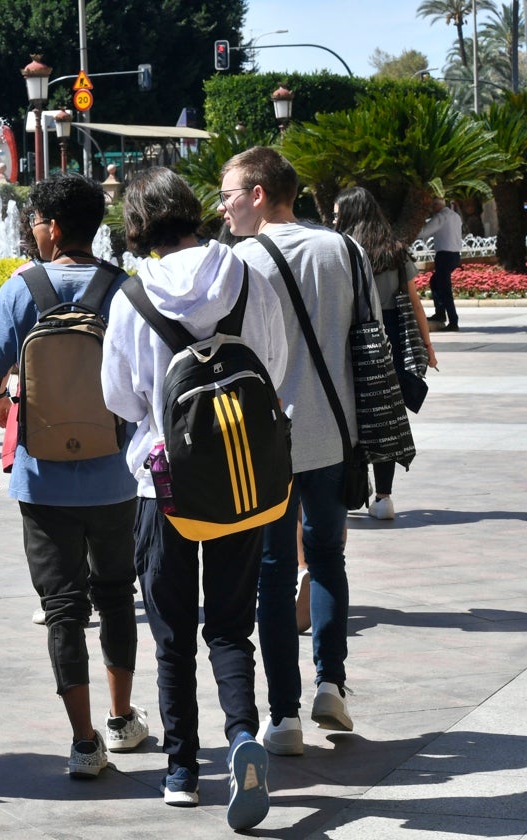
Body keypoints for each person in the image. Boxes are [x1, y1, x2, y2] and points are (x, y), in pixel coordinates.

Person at [102, 167, 285, 828]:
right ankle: (243, 738)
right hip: (242, 480)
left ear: (139, 223)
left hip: (163, 486)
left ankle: (181, 768)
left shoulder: (132, 297)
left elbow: (118, 398)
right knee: (233, 624)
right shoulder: (247, 276)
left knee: (171, 629)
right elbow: (276, 364)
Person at [0, 172, 148, 780]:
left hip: (42, 480)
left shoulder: (22, 291)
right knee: (117, 593)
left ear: (55, 227)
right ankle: (123, 720)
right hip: (116, 477)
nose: (34, 232)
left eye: (37, 222)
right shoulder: (125, 291)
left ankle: (84, 741)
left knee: (62, 605)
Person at [220, 146, 382, 756]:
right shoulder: (345, 249)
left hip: (265, 443)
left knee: (270, 574)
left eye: (230, 191)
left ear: (259, 192)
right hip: (335, 433)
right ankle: (331, 682)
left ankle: (282, 716)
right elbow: (365, 338)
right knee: (328, 559)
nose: (224, 204)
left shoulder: (241, 262)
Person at [334, 186, 438, 521]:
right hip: (387, 340)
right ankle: (384, 497)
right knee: (386, 415)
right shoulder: (395, 251)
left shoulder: (342, 251)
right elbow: (415, 302)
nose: (333, 220)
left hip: (350, 340)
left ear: (348, 215)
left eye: (337, 214)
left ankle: (352, 486)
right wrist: (428, 347)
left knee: (349, 414)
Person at [417, 195, 463, 331]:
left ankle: (453, 321)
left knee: (444, 288)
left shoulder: (440, 217)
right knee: (435, 282)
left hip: (444, 256)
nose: (431, 209)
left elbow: (424, 232)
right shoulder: (455, 216)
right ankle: (440, 314)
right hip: (455, 255)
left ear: (436, 206)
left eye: (432, 206)